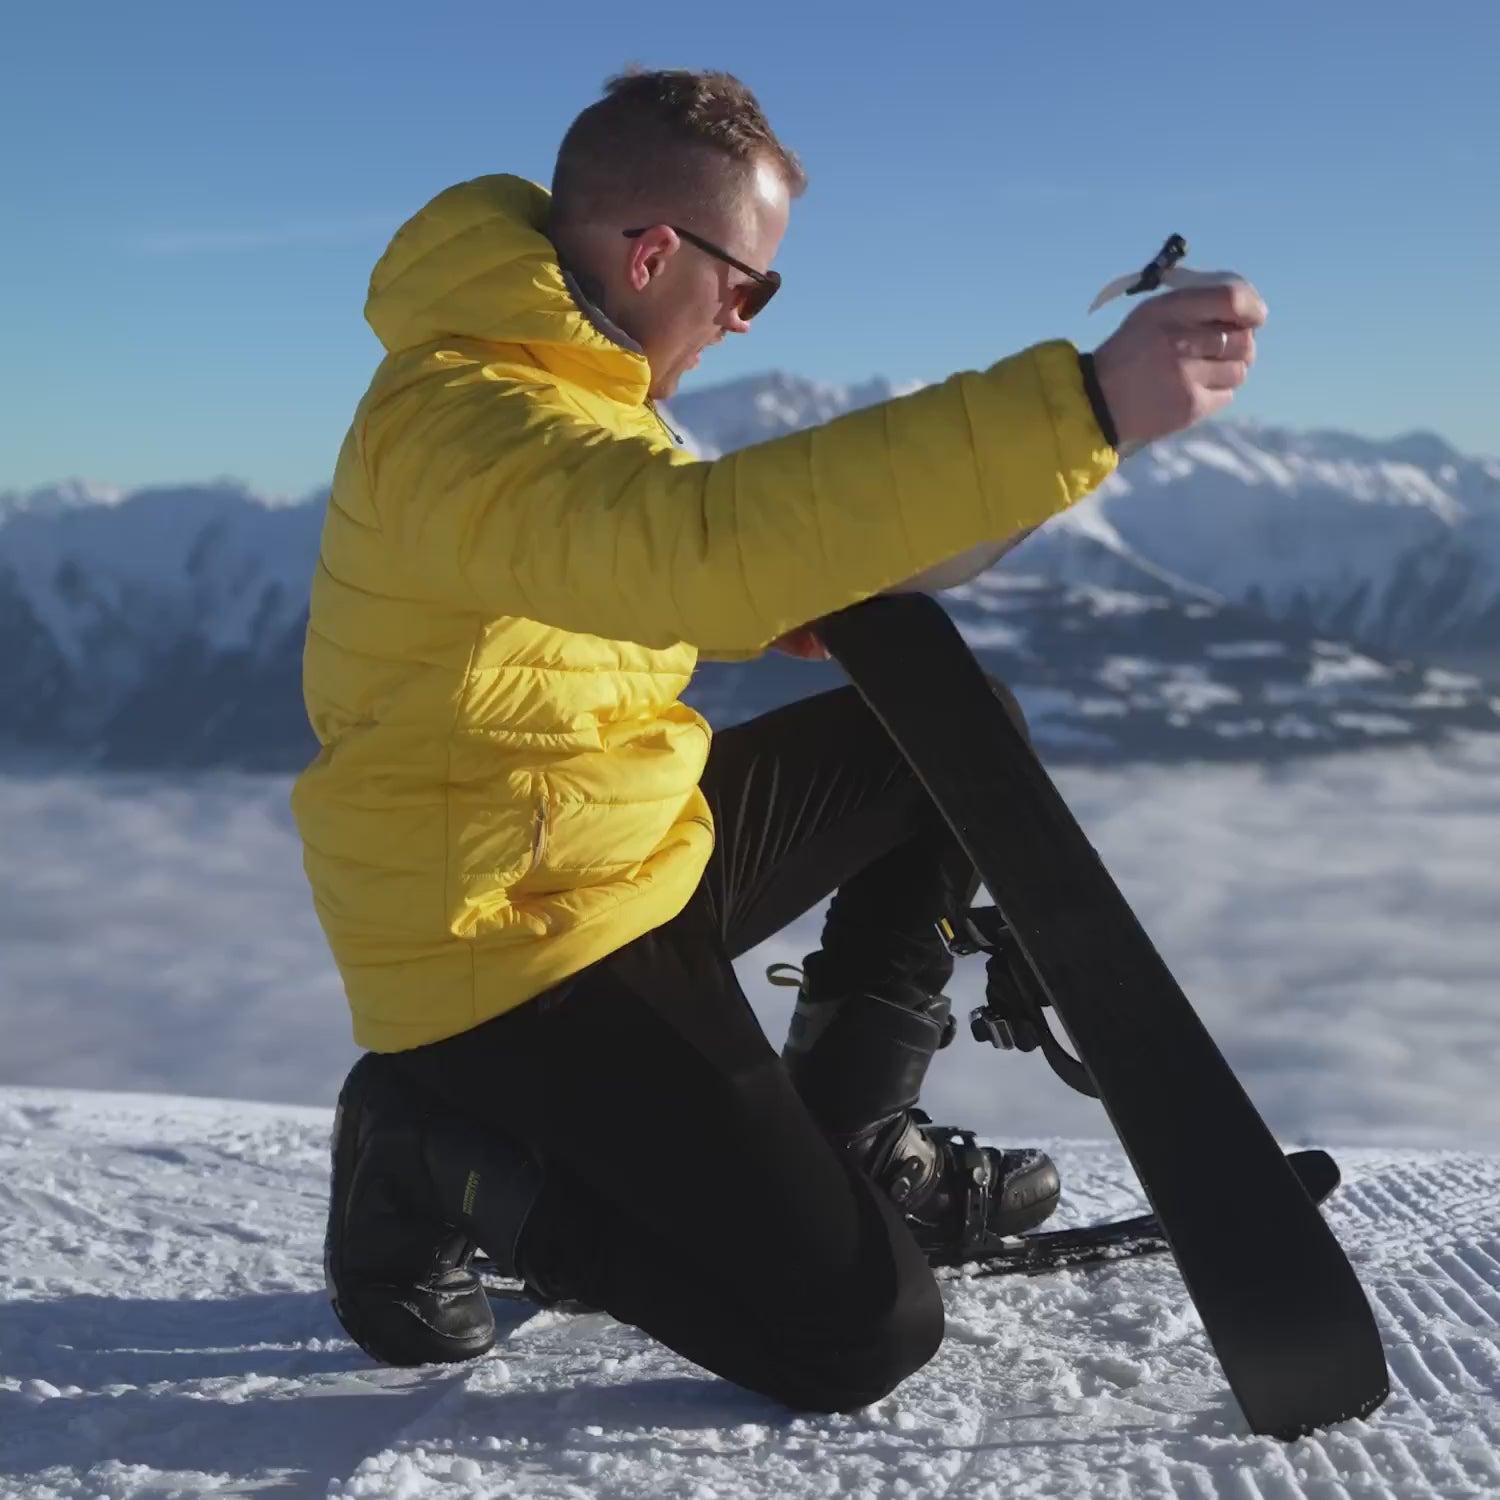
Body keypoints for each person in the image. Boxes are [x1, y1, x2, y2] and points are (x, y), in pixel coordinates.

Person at [292, 67, 1265, 1413]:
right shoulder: (463, 419)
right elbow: (685, 544)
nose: (742, 322)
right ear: (651, 254)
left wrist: (787, 603)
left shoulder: (573, 392)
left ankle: (850, 1137)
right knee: (855, 1334)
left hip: (615, 851)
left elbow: (625, 571)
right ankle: (438, 1151)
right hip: (501, 944)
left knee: (943, 735)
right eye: (748, 286)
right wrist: (1081, 406)